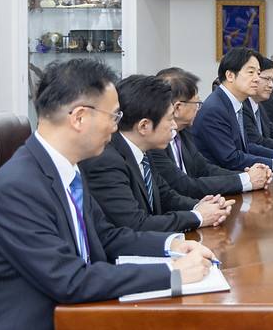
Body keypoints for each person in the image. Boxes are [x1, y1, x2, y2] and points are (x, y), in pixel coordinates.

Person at [0, 59, 216, 329]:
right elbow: (69, 280)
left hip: (84, 311)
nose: (116, 128)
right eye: (114, 116)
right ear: (79, 118)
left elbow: (106, 236)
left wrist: (171, 246)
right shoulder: (17, 187)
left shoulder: (67, 169)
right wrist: (172, 272)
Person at [81, 75, 234, 232]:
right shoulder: (106, 162)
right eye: (169, 119)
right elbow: (136, 224)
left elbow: (165, 195)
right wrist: (198, 216)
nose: (174, 125)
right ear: (144, 126)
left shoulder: (144, 149)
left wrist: (201, 206)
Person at [149, 68, 272, 199]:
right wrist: (246, 180)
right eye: (197, 103)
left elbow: (204, 168)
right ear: (178, 108)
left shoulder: (184, 131)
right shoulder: (155, 143)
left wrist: (246, 175)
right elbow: (185, 186)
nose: (199, 109)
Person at [191, 47, 273, 172]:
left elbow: (247, 147)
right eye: (251, 72)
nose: (256, 78)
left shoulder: (233, 104)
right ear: (230, 75)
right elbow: (231, 158)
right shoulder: (215, 109)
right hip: (222, 184)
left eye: (258, 73)